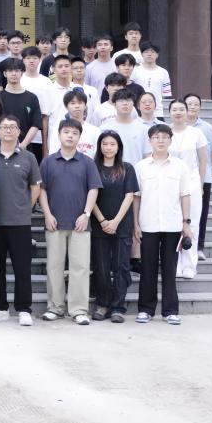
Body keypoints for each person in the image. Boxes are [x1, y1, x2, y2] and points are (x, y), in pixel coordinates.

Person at [39, 118, 102, 325]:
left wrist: (86, 214)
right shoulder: (48, 162)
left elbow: (93, 189)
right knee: (54, 267)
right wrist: (47, 214)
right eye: (66, 132)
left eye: (75, 133)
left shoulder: (87, 162)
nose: (70, 136)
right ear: (59, 135)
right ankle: (55, 307)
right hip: (55, 222)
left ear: (79, 137)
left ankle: (78, 309)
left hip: (80, 224)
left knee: (80, 267)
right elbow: (41, 190)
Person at [0, 115, 41, 326]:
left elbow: (35, 187)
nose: (8, 130)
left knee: (22, 268)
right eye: (4, 127)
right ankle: (0, 308)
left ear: (19, 132)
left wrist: (25, 207)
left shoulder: (29, 157)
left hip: (20, 222)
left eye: (12, 127)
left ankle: (24, 309)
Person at [134, 123, 192, 324]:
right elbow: (136, 197)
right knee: (147, 268)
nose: (160, 141)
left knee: (170, 269)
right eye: (156, 137)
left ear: (170, 140)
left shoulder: (180, 166)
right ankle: (146, 309)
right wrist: (135, 224)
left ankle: (170, 311)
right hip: (148, 224)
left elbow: (185, 195)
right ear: (150, 141)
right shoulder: (141, 166)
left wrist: (186, 223)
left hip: (173, 225)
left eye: (164, 137)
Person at [90, 132, 139, 323]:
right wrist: (103, 221)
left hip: (122, 225)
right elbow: (90, 195)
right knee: (101, 267)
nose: (108, 147)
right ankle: (103, 304)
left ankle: (118, 306)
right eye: (105, 144)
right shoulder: (93, 167)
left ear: (119, 147)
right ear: (99, 146)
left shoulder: (127, 168)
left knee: (121, 267)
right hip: (98, 225)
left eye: (112, 144)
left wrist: (116, 221)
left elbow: (129, 196)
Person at [167, 99, 207, 279]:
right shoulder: (165, 132)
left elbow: (203, 160)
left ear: (186, 111)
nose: (178, 112)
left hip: (191, 181)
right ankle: (175, 264)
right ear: (169, 112)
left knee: (193, 223)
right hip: (171, 181)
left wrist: (201, 183)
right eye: (174, 109)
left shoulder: (196, 133)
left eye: (181, 109)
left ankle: (190, 265)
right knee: (173, 224)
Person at [185, 93, 212, 261]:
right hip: (183, 178)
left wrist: (201, 173)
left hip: (203, 178)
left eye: (196, 104)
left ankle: (199, 247)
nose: (192, 107)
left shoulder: (207, 128)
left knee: (201, 213)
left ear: (200, 107)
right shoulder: (176, 126)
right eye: (189, 104)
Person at [0, 58, 43, 159]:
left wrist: (23, 145)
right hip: (0, 148)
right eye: (10, 71)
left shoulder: (32, 97)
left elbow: (36, 124)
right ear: (5, 73)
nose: (14, 74)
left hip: (25, 149)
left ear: (22, 73)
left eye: (17, 70)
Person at [47, 90, 101, 158]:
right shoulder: (59, 129)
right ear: (66, 106)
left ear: (85, 106)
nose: (77, 106)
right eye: (73, 103)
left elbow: (98, 156)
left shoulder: (95, 131)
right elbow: (53, 154)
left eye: (80, 103)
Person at [104, 89, 151, 164]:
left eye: (128, 100)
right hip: (112, 170)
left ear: (133, 104)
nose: (125, 103)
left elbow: (147, 156)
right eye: (121, 100)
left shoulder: (143, 129)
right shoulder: (105, 129)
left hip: (136, 170)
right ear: (115, 105)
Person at [132, 41, 172, 119]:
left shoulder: (163, 72)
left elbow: (165, 95)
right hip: (138, 113)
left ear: (157, 55)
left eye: (152, 52)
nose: (149, 54)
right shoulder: (134, 71)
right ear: (142, 54)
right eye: (146, 52)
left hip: (158, 113)